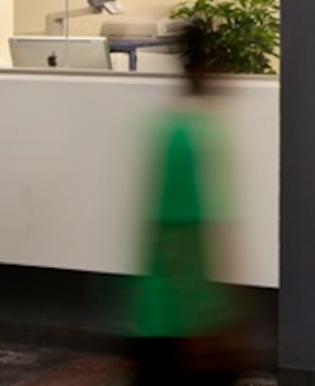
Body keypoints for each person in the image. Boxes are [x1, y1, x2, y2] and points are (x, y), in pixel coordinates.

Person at [130, 28, 246, 385]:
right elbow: (181, 238)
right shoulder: (190, 135)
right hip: (180, 323)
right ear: (199, 69)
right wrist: (206, 323)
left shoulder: (180, 126)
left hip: (169, 315)